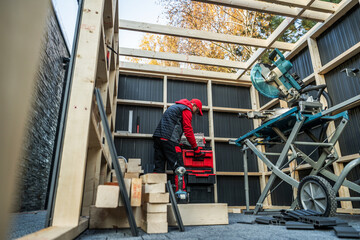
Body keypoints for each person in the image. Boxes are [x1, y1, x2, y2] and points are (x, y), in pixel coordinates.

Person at [153, 98, 204, 173]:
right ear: (194, 105)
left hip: (158, 138)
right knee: (180, 170)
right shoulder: (186, 109)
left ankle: (156, 184)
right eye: (197, 111)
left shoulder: (175, 107)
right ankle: (180, 185)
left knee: (159, 168)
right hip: (169, 139)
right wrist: (195, 148)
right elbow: (188, 130)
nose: (195, 113)